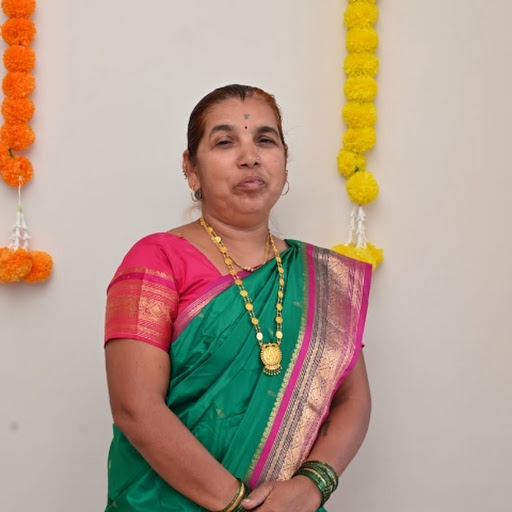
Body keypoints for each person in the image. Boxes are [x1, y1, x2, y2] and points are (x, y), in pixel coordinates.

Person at [104, 84, 372, 512]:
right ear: (191, 168)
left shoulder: (322, 279)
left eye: (265, 140)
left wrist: (312, 485)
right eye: (225, 142)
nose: (250, 157)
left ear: (284, 160)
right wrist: (237, 504)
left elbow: (353, 399)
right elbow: (135, 407)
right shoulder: (156, 260)